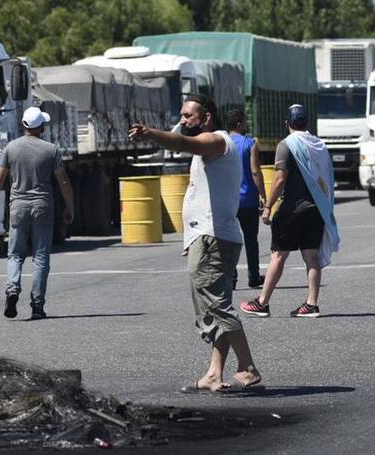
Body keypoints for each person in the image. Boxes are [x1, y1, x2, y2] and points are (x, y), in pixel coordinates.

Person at [129, 94, 262, 393]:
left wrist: (150, 133)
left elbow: (182, 143)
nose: (183, 121)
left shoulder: (216, 142)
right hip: (211, 236)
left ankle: (248, 367)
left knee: (218, 306)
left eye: (189, 116)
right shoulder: (212, 145)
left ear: (207, 118)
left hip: (212, 238)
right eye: (181, 114)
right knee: (214, 307)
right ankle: (215, 373)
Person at [241, 104, 340, 318]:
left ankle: (262, 302)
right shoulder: (319, 145)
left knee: (278, 255)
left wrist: (268, 206)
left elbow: (280, 178)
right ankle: (311, 304)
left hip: (293, 210)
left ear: (287, 123)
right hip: (316, 209)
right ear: (306, 123)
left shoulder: (286, 145)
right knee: (311, 257)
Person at [0, 106, 75, 321]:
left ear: (24, 125)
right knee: (41, 257)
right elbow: (63, 181)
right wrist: (70, 206)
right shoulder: (51, 149)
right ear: (41, 127)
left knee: (15, 254)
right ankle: (37, 305)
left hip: (18, 207)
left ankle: (13, 289)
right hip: (43, 206)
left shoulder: (11, 148)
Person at [226, 107, 267, 289]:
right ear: (239, 123)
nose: (246, 125)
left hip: (228, 199)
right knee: (251, 239)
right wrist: (264, 196)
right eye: (244, 122)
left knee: (229, 240)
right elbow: (255, 171)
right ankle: (254, 276)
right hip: (248, 199)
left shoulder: (222, 143)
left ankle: (231, 278)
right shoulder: (250, 143)